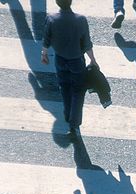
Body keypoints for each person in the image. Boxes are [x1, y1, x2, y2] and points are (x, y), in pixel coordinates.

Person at [41, 0, 98, 139]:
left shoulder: (51, 19)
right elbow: (87, 44)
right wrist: (93, 60)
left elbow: (46, 39)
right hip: (77, 61)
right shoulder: (81, 20)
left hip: (60, 60)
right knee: (78, 91)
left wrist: (44, 54)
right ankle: (74, 123)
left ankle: (67, 114)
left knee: (65, 87)